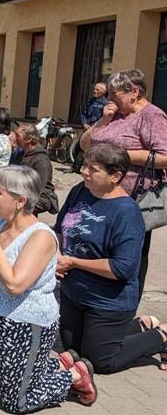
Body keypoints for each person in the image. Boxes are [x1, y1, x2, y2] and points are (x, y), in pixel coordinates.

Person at [0, 165, 97, 412]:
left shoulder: (40, 237)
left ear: (19, 201)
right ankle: (54, 363)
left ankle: (74, 375)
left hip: (25, 321)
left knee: (17, 402)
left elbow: (15, 285)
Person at [56, 143, 167, 373]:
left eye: (92, 169)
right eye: (85, 165)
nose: (84, 172)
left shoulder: (127, 212)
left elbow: (123, 268)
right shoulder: (80, 190)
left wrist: (74, 262)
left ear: (115, 176)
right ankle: (140, 325)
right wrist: (56, 256)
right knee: (73, 351)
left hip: (107, 300)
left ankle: (161, 336)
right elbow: (59, 228)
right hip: (73, 293)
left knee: (100, 362)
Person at [79, 69, 167, 304]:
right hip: (98, 195)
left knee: (127, 254)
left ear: (134, 92)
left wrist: (119, 156)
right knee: (98, 245)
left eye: (114, 94)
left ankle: (124, 306)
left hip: (131, 199)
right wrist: (103, 120)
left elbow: (164, 156)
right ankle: (93, 293)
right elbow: (85, 145)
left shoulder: (152, 116)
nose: (110, 99)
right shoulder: (114, 114)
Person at [11, 124, 58, 216]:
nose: (14, 138)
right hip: (23, 193)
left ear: (29, 140)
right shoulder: (20, 153)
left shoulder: (41, 160)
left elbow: (38, 187)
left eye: (18, 136)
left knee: (14, 207)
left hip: (42, 196)